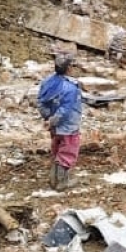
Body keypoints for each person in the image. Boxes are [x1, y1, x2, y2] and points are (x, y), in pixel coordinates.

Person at [37, 54, 83, 191]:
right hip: (68, 125)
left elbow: (40, 102)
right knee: (67, 152)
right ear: (69, 68)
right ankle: (61, 182)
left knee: (57, 150)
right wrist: (54, 120)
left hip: (54, 126)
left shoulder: (47, 82)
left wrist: (48, 119)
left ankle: (53, 178)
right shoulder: (71, 88)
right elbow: (65, 110)